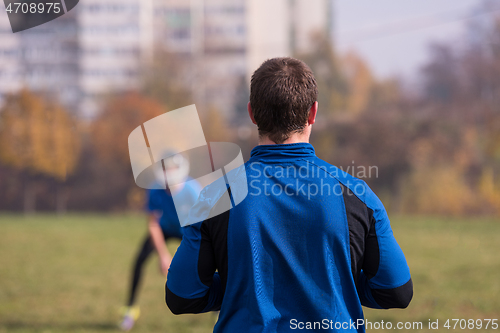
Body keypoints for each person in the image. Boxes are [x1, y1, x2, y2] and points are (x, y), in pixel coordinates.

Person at [165, 57, 412, 332]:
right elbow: (396, 292)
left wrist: (240, 286)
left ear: (252, 114)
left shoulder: (214, 198)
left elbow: (182, 296)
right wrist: (341, 282)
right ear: (313, 113)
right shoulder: (358, 197)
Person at [120, 153, 200, 331]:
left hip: (187, 229)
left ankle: (221, 307)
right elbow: (153, 224)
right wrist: (164, 256)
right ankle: (130, 309)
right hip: (165, 228)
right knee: (139, 261)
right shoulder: (154, 189)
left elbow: (201, 224)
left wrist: (186, 254)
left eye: (172, 169)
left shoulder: (192, 189)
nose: (169, 174)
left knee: (215, 260)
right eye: (165, 169)